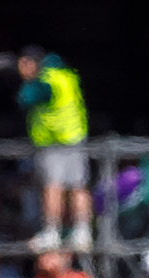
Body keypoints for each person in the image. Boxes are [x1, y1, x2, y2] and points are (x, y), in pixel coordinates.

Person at [5, 46, 91, 253]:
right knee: (78, 185)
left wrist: (25, 80)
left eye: (25, 63)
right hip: (75, 137)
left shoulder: (45, 80)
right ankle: (83, 232)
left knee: (53, 186)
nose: (22, 69)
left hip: (54, 142)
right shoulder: (65, 75)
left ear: (34, 62)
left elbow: (26, 99)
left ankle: (52, 232)